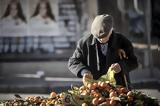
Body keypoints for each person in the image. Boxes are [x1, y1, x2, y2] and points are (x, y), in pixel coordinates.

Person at [68, 14, 138, 87]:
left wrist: (121, 66)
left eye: (104, 36)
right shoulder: (85, 42)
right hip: (95, 88)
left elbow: (134, 62)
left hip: (118, 87)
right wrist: (84, 71)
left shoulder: (121, 40)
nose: (101, 39)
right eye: (98, 37)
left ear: (111, 29)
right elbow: (73, 62)